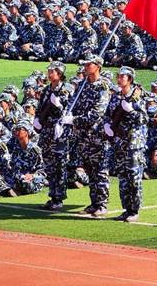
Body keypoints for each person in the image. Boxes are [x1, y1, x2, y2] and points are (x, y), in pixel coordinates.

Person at [64, 54, 111, 217]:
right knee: (90, 170)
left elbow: (97, 112)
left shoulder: (102, 86)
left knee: (100, 170)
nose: (85, 67)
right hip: (83, 135)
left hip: (97, 134)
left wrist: (74, 120)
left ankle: (102, 204)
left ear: (97, 66)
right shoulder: (82, 85)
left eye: (88, 64)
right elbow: (72, 104)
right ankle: (94, 203)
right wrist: (67, 116)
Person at [103, 66, 147, 222]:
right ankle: (126, 209)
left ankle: (134, 210)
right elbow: (108, 115)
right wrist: (107, 126)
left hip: (133, 143)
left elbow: (144, 119)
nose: (119, 78)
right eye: (119, 75)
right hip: (119, 142)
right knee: (122, 177)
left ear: (130, 79)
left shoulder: (138, 97)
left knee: (134, 178)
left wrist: (131, 111)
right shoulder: (115, 97)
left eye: (123, 76)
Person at [35, 61, 74, 211]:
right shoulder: (46, 90)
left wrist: (60, 106)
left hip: (60, 131)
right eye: (49, 71)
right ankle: (52, 196)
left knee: (59, 165)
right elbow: (40, 108)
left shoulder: (67, 89)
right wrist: (37, 120)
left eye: (52, 71)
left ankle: (59, 197)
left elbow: (70, 110)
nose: (49, 74)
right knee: (49, 165)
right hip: (47, 132)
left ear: (60, 73)